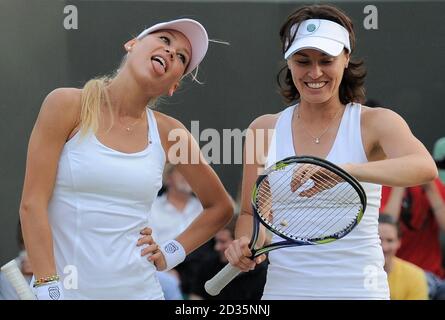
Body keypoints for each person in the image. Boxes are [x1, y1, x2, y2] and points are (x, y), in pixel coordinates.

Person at [224, 4, 437, 299]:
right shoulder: (263, 129)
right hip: (285, 291)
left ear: (346, 59)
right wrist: (247, 243)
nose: (315, 72)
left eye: (326, 60)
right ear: (289, 63)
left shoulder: (374, 121)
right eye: (302, 61)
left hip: (360, 291)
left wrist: (345, 172)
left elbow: (423, 166)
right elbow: (251, 212)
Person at [19, 18, 233, 300]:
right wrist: (48, 287)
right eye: (165, 40)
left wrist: (170, 252)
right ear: (132, 45)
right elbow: (32, 204)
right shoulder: (66, 105)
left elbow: (221, 207)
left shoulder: (171, 133)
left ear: (174, 86)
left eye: (181, 56)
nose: (171, 52)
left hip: (141, 292)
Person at [190, 216, 268, 300]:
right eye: (216, 241)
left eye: (223, 241)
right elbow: (196, 296)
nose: (217, 247)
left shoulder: (265, 273)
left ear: (240, 243)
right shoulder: (208, 265)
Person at [378, 214, 428, 300]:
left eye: (390, 240)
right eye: (378, 240)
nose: (384, 247)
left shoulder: (415, 276)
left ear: (399, 242)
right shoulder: (354, 273)